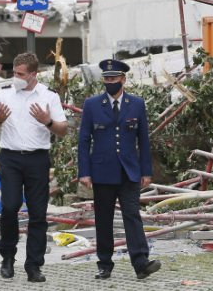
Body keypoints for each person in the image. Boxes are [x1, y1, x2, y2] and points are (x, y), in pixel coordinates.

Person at [0, 52, 68, 283]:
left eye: (20, 74)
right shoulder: (4, 93)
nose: (16, 77)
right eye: (14, 73)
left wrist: (47, 121)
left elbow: (63, 130)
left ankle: (33, 265)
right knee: (10, 206)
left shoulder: (48, 96)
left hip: (37, 159)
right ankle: (7, 257)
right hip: (10, 158)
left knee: (38, 213)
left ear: (33, 74)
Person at [78, 60, 161, 280]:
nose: (109, 82)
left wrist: (146, 172)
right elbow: (84, 140)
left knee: (132, 216)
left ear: (123, 79)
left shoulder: (137, 104)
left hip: (129, 171)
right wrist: (84, 172)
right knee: (103, 219)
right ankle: (104, 264)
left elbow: (143, 140)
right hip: (102, 171)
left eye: (113, 78)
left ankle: (141, 263)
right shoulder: (92, 104)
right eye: (106, 79)